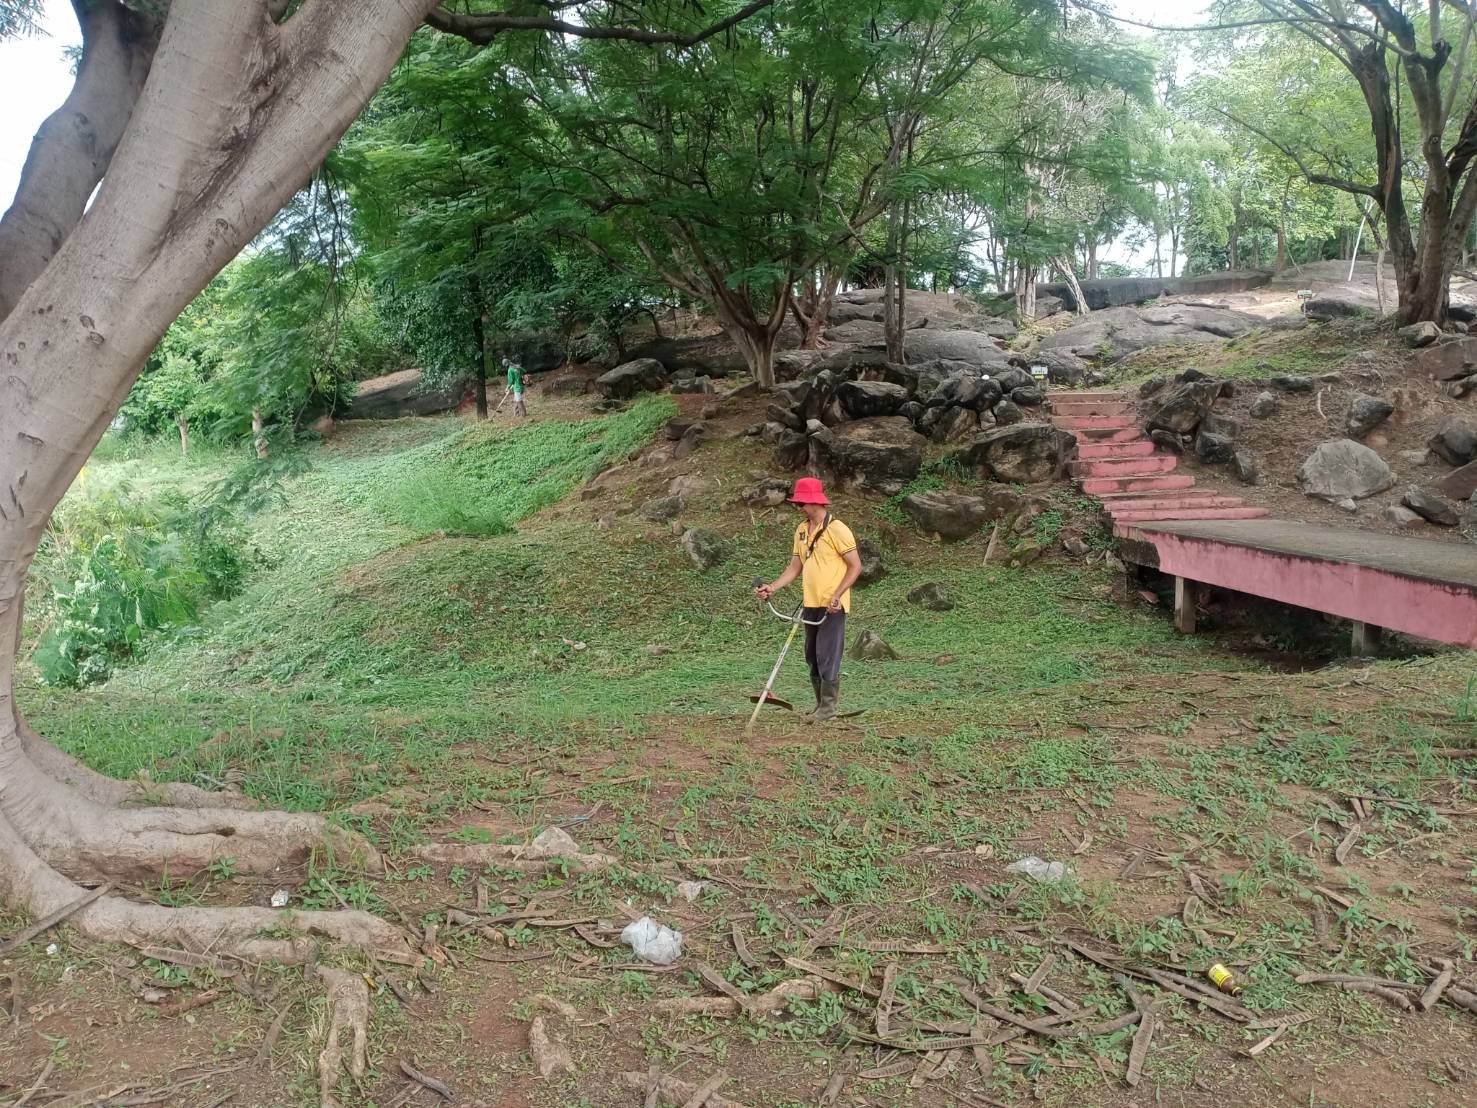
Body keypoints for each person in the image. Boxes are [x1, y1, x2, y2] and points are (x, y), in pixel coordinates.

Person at [755, 477, 863, 722]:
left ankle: (829, 708)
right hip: (810, 603)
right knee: (812, 655)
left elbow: (856, 566)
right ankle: (820, 706)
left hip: (832, 607)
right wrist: (773, 587)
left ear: (815, 502)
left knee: (828, 654)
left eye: (801, 503)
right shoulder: (802, 530)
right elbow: (795, 567)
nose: (798, 508)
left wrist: (837, 595)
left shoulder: (837, 529)